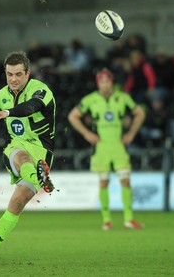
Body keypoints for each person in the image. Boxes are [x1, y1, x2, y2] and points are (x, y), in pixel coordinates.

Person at [0, 51, 56, 268]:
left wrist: (8, 113)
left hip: (42, 151)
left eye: (19, 74)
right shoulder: (1, 95)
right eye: (9, 74)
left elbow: (31, 107)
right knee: (20, 155)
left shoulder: (40, 90)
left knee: (17, 203)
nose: (13, 79)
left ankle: (39, 174)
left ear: (28, 73)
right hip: (17, 146)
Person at [68, 68, 145, 230]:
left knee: (126, 181)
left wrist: (131, 133)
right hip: (101, 147)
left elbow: (140, 113)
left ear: (112, 82)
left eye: (107, 81)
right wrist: (86, 134)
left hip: (118, 145)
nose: (105, 84)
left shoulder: (122, 97)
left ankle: (128, 219)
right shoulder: (90, 100)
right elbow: (72, 116)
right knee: (103, 182)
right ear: (98, 83)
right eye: (102, 81)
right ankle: (106, 220)